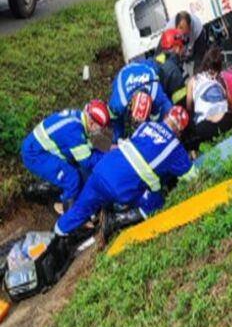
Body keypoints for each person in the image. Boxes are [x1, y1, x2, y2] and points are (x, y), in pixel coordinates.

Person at [47, 107, 195, 265]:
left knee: (80, 209)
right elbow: (192, 176)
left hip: (102, 169)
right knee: (156, 202)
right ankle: (115, 220)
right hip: (121, 187)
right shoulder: (175, 148)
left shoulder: (147, 126)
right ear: (180, 132)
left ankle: (55, 237)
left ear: (166, 117)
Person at [21, 100, 110, 212]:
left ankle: (49, 187)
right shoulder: (74, 131)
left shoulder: (78, 118)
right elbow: (86, 161)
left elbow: (84, 147)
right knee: (73, 179)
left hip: (37, 148)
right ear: (92, 123)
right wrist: (108, 157)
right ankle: (68, 212)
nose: (100, 131)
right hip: (35, 155)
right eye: (100, 128)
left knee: (71, 168)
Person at [184, 48, 232, 152]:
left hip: (205, 128)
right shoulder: (220, 79)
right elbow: (230, 103)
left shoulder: (193, 81)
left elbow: (189, 107)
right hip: (225, 121)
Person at [109, 59, 173, 142]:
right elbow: (114, 121)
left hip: (149, 67)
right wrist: (118, 139)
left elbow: (167, 109)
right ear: (130, 105)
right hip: (125, 73)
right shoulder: (118, 102)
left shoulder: (156, 95)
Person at [154, 27, 190, 105]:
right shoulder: (174, 71)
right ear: (176, 47)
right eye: (181, 47)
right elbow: (182, 104)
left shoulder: (156, 61)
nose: (183, 50)